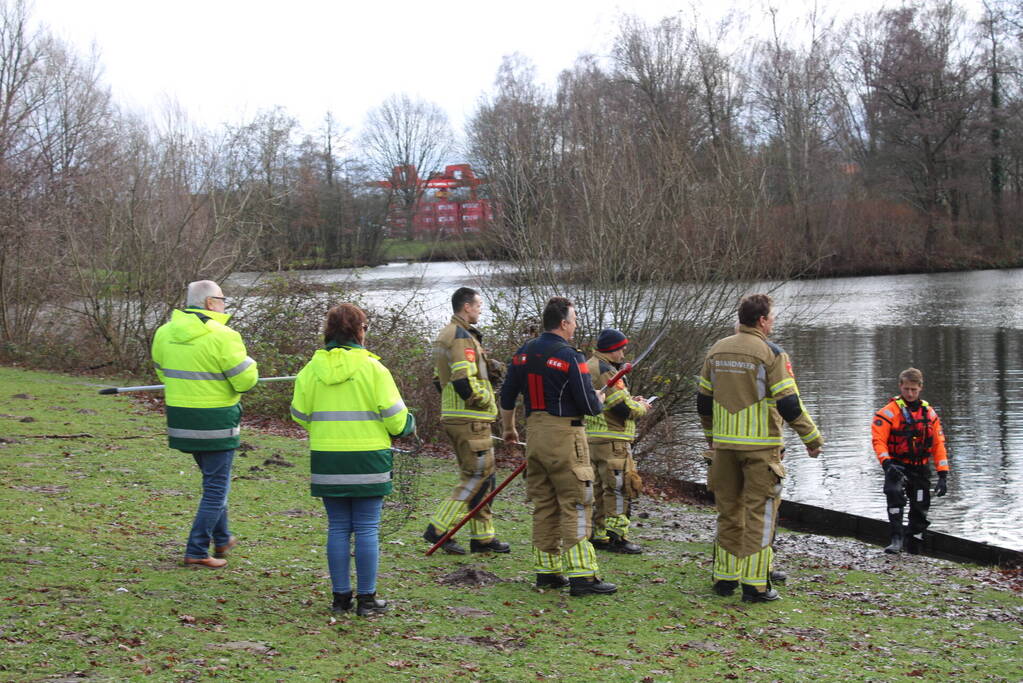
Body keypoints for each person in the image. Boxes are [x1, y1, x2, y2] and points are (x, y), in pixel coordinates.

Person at [696, 294, 823, 603]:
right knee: (760, 515)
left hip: (724, 448)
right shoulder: (772, 354)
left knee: (728, 512)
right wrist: (812, 438)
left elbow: (703, 401)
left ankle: (725, 579)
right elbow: (789, 403)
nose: (773, 322)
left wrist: (711, 436)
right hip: (761, 449)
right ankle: (755, 586)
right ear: (763, 320)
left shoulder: (716, 350)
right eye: (772, 317)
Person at [291, 303, 415, 617]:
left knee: (337, 527)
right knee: (367, 528)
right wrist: (408, 425)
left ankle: (340, 598)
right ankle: (367, 599)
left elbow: (299, 414)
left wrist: (325, 431)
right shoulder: (373, 369)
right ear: (360, 331)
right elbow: (397, 421)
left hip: (327, 458)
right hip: (368, 459)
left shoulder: (310, 370)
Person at [500, 296, 616, 596]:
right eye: (574, 320)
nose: (575, 326)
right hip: (566, 436)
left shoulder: (522, 353)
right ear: (564, 323)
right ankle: (583, 576)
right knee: (577, 502)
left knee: (545, 505)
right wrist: (599, 398)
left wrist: (509, 428)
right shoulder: (570, 356)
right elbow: (589, 405)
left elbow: (507, 396)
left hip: (534, 435)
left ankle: (547, 571)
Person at [151, 280, 258, 569]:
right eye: (222, 299)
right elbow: (245, 381)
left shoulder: (163, 332)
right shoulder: (224, 336)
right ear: (211, 303)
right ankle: (197, 549)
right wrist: (250, 364)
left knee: (213, 481)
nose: (224, 305)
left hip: (181, 419)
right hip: (216, 421)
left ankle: (222, 538)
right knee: (216, 488)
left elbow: (163, 372)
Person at [422, 287, 509, 555]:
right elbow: (462, 380)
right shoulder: (460, 336)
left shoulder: (449, 334)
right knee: (476, 477)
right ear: (467, 306)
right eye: (478, 305)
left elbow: (438, 380)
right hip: (471, 419)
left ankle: (483, 537)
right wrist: (483, 399)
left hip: (460, 417)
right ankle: (438, 529)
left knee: (485, 477)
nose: (481, 309)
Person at [585, 329, 650, 554]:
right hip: (613, 440)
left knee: (599, 489)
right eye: (621, 349)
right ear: (611, 349)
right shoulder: (606, 370)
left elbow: (610, 399)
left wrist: (631, 399)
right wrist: (642, 407)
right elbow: (621, 407)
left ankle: (598, 533)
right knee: (619, 488)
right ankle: (617, 536)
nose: (623, 354)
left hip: (594, 439)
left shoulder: (589, 365)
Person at [871, 367, 949, 555]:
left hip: (920, 467)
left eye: (914, 389)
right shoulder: (888, 413)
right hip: (897, 466)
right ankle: (896, 539)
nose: (910, 393)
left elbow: (938, 444)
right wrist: (887, 463)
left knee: (920, 505)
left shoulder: (929, 414)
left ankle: (914, 542)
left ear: (920, 387)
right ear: (900, 386)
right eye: (906, 389)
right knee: (894, 496)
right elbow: (878, 441)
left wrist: (943, 475)